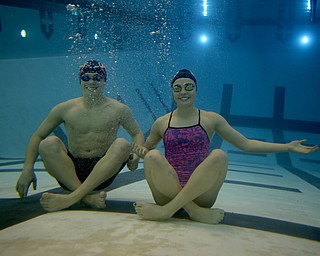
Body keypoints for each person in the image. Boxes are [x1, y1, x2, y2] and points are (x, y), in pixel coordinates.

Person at [133, 69, 319, 225]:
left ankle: (167, 212)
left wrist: (287, 147)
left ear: (196, 89)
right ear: (172, 92)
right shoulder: (162, 122)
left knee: (219, 155)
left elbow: (246, 144)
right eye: (178, 88)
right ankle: (192, 211)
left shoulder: (210, 119)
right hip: (167, 192)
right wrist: (137, 154)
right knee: (153, 156)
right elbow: (144, 153)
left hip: (201, 192)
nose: (184, 92)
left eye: (189, 86)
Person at [16, 60, 144, 212]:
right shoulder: (65, 108)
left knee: (122, 144)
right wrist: (27, 169)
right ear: (80, 81)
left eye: (97, 78)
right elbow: (38, 136)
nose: (91, 82)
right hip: (70, 171)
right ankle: (87, 197)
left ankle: (72, 197)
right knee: (48, 143)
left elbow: (136, 134)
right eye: (86, 78)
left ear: (104, 81)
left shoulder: (119, 109)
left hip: (104, 172)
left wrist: (136, 155)